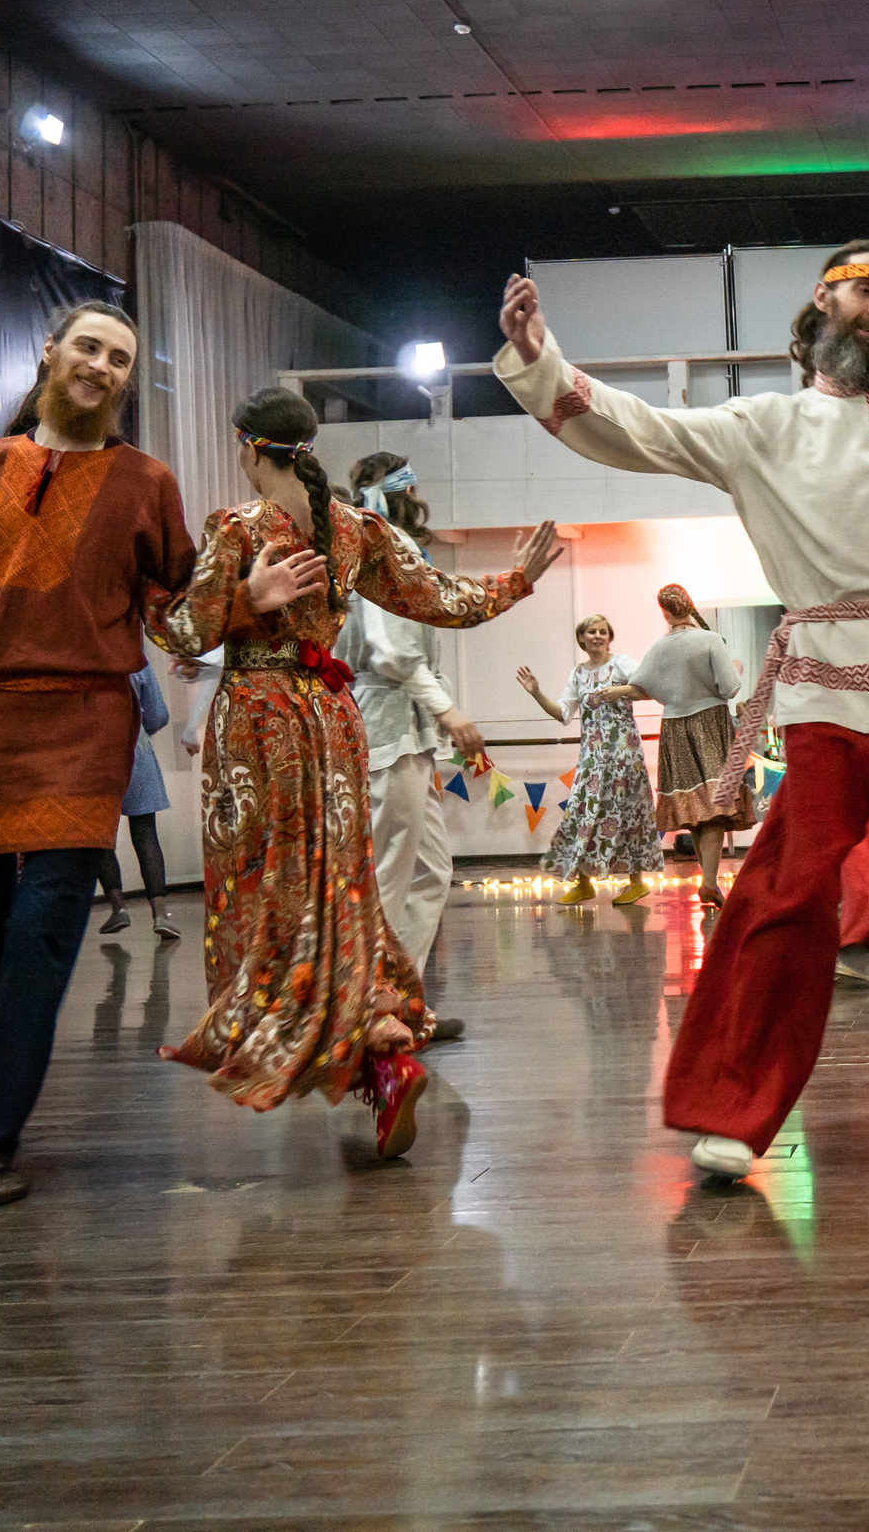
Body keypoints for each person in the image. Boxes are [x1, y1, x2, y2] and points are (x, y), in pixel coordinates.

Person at [495, 240, 869, 1178]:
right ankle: (735, 1106)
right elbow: (642, 430)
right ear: (823, 301)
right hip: (828, 683)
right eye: (865, 291)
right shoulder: (764, 422)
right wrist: (544, 362)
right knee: (788, 888)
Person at [150, 389, 553, 1161]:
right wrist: (515, 581)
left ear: (248, 446)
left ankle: (296, 1036)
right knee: (342, 887)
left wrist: (210, 596)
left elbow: (184, 625)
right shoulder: (354, 527)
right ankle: (381, 1042)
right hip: (335, 720)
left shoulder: (239, 527)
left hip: (259, 720)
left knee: (264, 889)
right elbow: (442, 599)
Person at [0, 300, 201, 1205]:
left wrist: (242, 596)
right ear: (52, 354)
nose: (102, 365)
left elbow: (185, 593)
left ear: (127, 381)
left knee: (43, 927)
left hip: (87, 726)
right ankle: (7, 1074)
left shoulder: (146, 483)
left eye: (120, 358)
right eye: (89, 347)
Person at [329, 453, 486, 1001]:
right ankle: (364, 1000)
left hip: (409, 728)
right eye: (413, 485)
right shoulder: (383, 553)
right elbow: (392, 652)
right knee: (389, 872)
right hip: (387, 723)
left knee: (430, 870)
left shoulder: (397, 552)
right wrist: (448, 708)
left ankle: (401, 993)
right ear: (402, 492)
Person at [595, 584, 744, 907]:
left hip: (675, 728)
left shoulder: (659, 648)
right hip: (710, 725)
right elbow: (730, 688)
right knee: (715, 810)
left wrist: (618, 692)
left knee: (692, 809)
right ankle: (709, 883)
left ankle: (709, 884)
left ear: (664, 612)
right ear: (689, 607)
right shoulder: (710, 640)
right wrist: (738, 668)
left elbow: (641, 687)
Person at [517, 615, 659, 906]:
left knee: (625, 812)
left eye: (602, 631)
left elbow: (650, 689)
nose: (597, 635)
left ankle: (636, 883)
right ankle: (583, 883)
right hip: (592, 756)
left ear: (609, 637)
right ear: (581, 638)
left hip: (623, 753)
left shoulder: (621, 663)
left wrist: (620, 690)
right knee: (583, 811)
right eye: (591, 631)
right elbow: (562, 713)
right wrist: (536, 693)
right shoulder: (578, 673)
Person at [93, 661, 179, 939]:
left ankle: (118, 909)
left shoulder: (81, 653)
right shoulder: (134, 658)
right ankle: (160, 914)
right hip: (136, 749)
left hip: (96, 754)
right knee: (145, 832)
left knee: (100, 835)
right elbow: (158, 715)